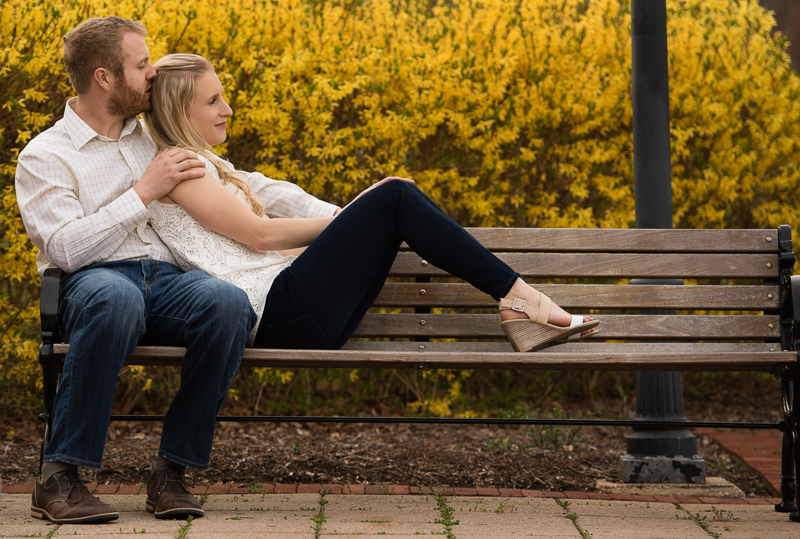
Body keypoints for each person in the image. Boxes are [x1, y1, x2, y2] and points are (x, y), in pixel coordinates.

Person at [15, 18, 340, 524]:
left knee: (227, 301)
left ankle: (171, 473)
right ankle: (58, 478)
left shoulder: (152, 136)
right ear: (105, 78)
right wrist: (142, 192)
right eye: (141, 65)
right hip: (94, 283)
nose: (151, 74)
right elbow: (65, 249)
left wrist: (346, 216)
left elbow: (237, 181)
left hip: (168, 283)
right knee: (115, 298)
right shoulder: (46, 155)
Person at [142, 53, 600, 358]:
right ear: (181, 110)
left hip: (291, 309)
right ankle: (520, 300)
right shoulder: (181, 170)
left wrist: (360, 212)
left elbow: (279, 198)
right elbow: (261, 236)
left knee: (393, 196)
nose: (229, 109)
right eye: (214, 100)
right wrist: (362, 216)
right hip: (276, 314)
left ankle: (520, 300)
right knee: (395, 196)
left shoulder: (209, 164)